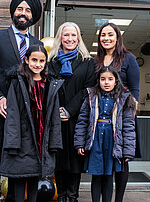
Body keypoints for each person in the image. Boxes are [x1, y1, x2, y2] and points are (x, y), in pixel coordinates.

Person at [0, 0, 43, 202]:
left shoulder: (36, 44)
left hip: (25, 115)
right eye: (20, 9)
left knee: (18, 160)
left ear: (33, 16)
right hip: (0, 112)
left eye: (28, 10)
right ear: (13, 11)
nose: (23, 13)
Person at [1, 45, 63, 202]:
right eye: (34, 60)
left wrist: (54, 142)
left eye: (42, 61)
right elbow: (12, 114)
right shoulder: (17, 82)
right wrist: (13, 142)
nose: (38, 64)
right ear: (26, 60)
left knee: (35, 178)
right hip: (23, 139)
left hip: (42, 140)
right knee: (20, 179)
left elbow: (55, 117)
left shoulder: (50, 84)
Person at [48, 22, 96, 202]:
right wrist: (58, 110)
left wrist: (69, 110)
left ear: (78, 38)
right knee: (59, 157)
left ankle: (73, 195)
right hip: (55, 117)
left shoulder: (87, 62)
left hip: (77, 118)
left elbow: (88, 89)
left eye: (73, 35)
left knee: (76, 158)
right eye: (66, 35)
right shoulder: (51, 63)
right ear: (60, 37)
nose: (69, 39)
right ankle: (60, 195)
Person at [74, 66, 137, 202]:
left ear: (116, 81)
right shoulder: (91, 96)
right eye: (103, 79)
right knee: (96, 176)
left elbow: (128, 127)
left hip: (112, 141)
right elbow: (82, 121)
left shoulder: (124, 99)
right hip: (95, 139)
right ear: (98, 80)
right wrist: (79, 143)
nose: (106, 82)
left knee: (108, 175)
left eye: (110, 79)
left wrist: (128, 151)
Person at [94, 22, 140, 201]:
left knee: (122, 159)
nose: (106, 38)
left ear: (117, 37)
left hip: (123, 114)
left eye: (110, 35)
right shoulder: (97, 59)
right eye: (103, 35)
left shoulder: (129, 59)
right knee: (105, 158)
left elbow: (135, 89)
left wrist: (132, 110)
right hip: (102, 116)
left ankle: (118, 199)